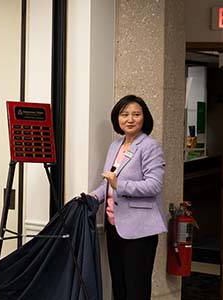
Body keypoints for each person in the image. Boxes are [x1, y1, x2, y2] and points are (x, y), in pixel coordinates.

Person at [90, 95, 166, 300]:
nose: (130, 119)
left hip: (140, 232)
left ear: (144, 118)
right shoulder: (115, 146)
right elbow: (108, 182)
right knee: (120, 288)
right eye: (124, 114)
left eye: (136, 114)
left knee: (136, 290)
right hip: (114, 228)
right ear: (117, 118)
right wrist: (92, 196)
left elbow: (154, 185)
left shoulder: (150, 146)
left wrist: (119, 185)